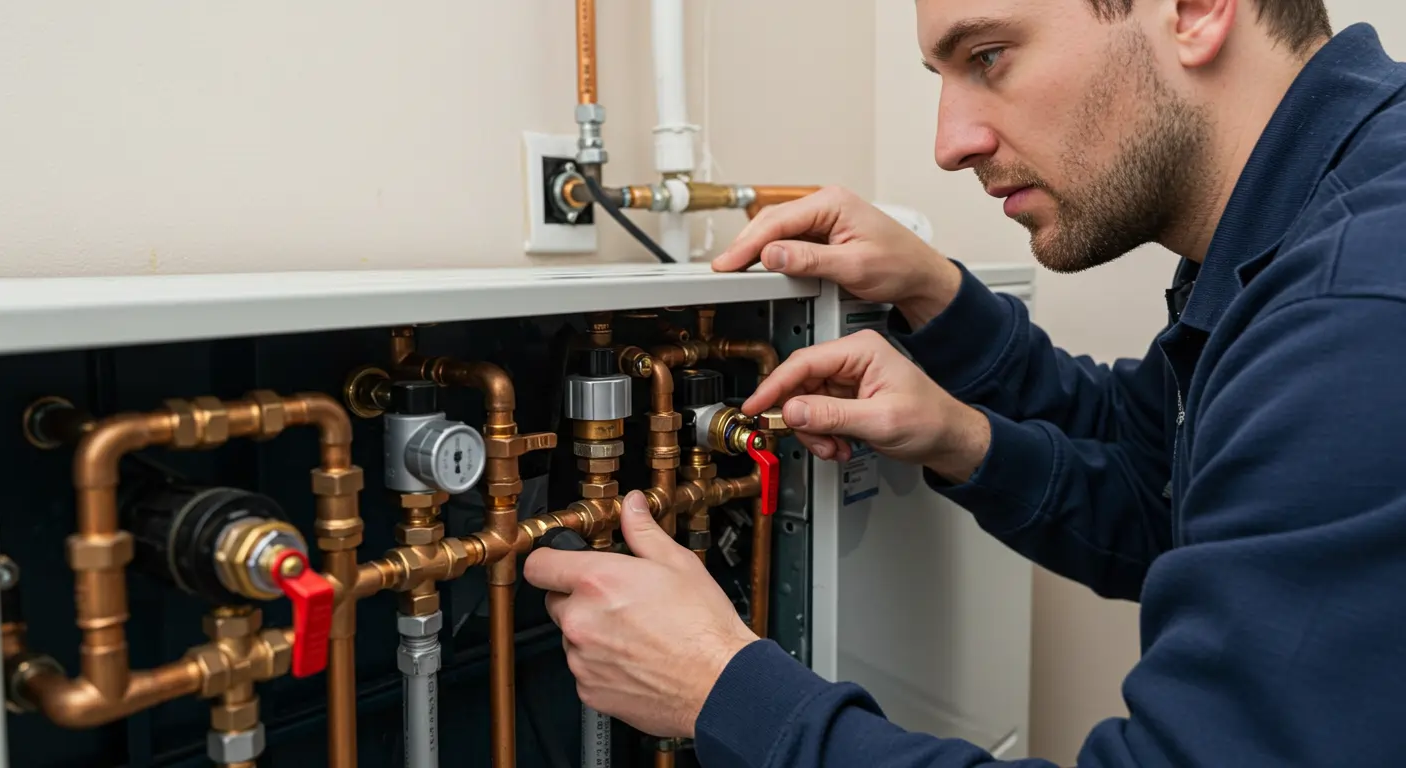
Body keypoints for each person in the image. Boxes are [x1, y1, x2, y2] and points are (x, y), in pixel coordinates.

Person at [523, 0, 1406, 763]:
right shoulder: (1302, 229)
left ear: (1194, 10)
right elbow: (1164, 489)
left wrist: (720, 689)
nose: (951, 144)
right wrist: (944, 334)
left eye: (989, 56)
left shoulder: (1355, 304)